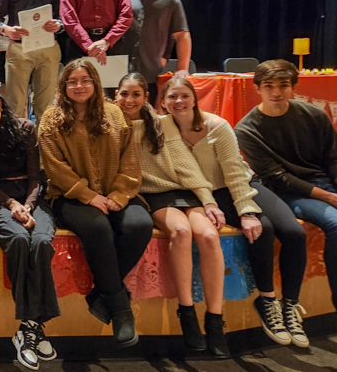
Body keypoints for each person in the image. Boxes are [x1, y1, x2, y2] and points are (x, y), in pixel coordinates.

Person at [159, 75, 309, 352]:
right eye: (172, 97)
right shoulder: (162, 128)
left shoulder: (217, 125)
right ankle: (266, 299)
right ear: (163, 102)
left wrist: (247, 210)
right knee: (263, 230)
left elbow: (233, 172)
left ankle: (290, 305)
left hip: (239, 183)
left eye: (184, 96)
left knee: (293, 231)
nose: (179, 101)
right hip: (207, 193)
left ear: (195, 98)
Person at [38, 59, 150, 347]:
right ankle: (121, 311)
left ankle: (101, 295)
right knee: (99, 228)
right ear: (63, 86)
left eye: (85, 80)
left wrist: (118, 195)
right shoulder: (50, 118)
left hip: (116, 192)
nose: (79, 86)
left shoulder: (114, 113)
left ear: (95, 84)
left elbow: (130, 159)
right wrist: (89, 196)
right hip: (69, 196)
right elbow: (54, 167)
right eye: (72, 81)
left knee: (140, 225)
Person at [115, 74, 229, 356]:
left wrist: (208, 200)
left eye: (136, 94)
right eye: (124, 94)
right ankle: (186, 311)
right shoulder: (112, 125)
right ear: (115, 95)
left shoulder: (162, 124)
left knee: (209, 236)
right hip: (153, 195)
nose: (130, 100)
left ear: (146, 97)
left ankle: (215, 321)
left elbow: (185, 164)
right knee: (181, 232)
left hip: (184, 191)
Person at [235, 59, 334, 342]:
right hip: (285, 192)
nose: (276, 92)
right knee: (332, 223)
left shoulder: (313, 116)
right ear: (258, 89)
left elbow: (332, 159)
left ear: (293, 88)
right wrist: (329, 196)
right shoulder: (247, 128)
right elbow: (277, 178)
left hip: (319, 185)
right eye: (269, 86)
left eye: (283, 86)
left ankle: (290, 305)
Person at [0, 85, 58, 369]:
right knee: (18, 239)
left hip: (31, 196)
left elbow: (35, 176)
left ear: (0, 104)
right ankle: (34, 327)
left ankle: (27, 329)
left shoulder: (25, 127)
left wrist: (28, 205)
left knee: (42, 240)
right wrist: (11, 205)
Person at [127, 0, 192, 103]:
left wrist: (182, 68)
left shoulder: (171, 1)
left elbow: (182, 35)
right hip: (118, 69)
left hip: (150, 72)